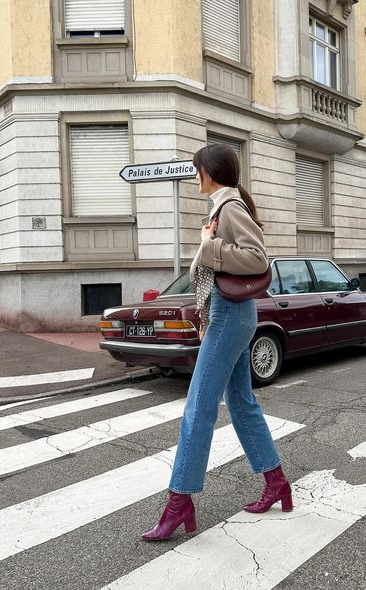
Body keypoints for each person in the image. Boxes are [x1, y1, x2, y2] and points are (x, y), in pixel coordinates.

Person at [142, 143, 292, 541]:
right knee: (241, 403)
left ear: (209, 172)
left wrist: (208, 244)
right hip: (230, 317)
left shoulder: (229, 208)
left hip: (231, 317)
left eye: (196, 170)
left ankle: (180, 502)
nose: (194, 177)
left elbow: (257, 259)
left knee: (198, 408)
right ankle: (276, 482)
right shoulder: (222, 206)